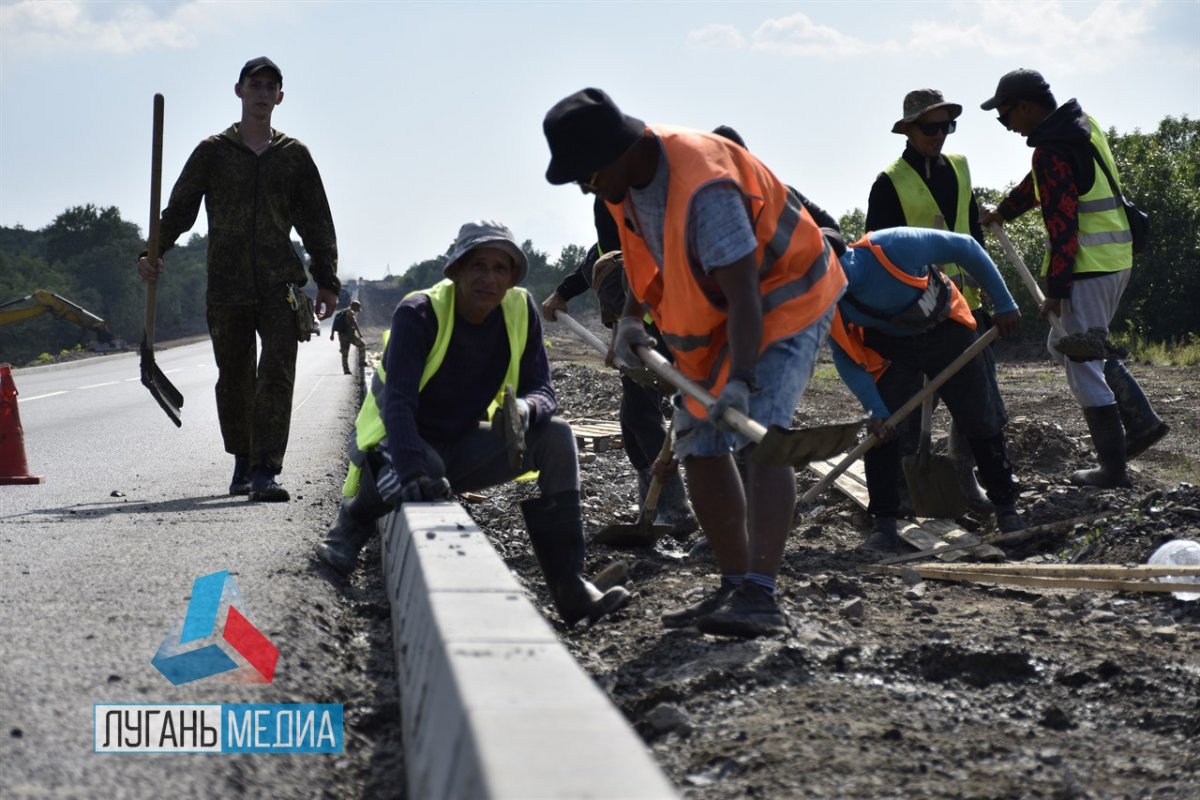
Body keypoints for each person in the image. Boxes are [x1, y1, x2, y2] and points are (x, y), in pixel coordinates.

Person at [542, 88, 847, 638]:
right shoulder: (621, 186)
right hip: (719, 316)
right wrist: (632, 318)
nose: (587, 186)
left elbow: (748, 294)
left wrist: (744, 380)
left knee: (764, 434)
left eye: (587, 174)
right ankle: (733, 585)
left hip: (785, 298)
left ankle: (762, 594)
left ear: (616, 151)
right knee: (697, 440)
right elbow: (640, 257)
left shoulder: (704, 185)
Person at [315, 220, 630, 628]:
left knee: (556, 436)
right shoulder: (419, 312)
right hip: (400, 441)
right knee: (424, 477)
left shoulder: (519, 310)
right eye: (479, 266)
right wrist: (412, 471)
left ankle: (570, 587)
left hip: (462, 444)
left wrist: (523, 410)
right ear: (457, 270)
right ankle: (351, 526)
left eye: (501, 269)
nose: (490, 278)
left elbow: (543, 391)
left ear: (513, 277)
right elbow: (399, 405)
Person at [137, 56, 339, 503]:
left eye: (271, 87)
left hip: (280, 284)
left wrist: (327, 280)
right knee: (234, 377)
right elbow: (179, 212)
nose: (263, 93)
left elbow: (317, 223)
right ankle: (243, 462)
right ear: (239, 91)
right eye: (256, 85)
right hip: (225, 285)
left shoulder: (294, 156)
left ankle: (267, 469)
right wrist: (152, 252)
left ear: (280, 97)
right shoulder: (212, 152)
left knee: (278, 372)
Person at [979, 69, 1168, 488]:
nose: (1006, 125)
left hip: (1088, 268)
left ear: (1026, 106)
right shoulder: (1080, 126)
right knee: (1068, 346)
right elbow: (1045, 186)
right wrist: (1006, 211)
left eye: (1005, 115)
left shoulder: (1052, 151)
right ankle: (1141, 420)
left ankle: (1113, 470)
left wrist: (1056, 292)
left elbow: (1063, 223)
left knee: (1081, 360)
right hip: (1116, 258)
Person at [829, 227, 1026, 551]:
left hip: (947, 329)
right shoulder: (829, 299)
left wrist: (1005, 302)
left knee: (980, 417)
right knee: (884, 429)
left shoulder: (893, 247)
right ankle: (885, 524)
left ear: (841, 259)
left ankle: (1006, 509)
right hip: (895, 349)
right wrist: (875, 409)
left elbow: (966, 246)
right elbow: (846, 356)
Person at [866, 89, 993, 513]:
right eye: (930, 128)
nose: (939, 135)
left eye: (947, 127)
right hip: (913, 314)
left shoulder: (959, 169)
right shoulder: (889, 184)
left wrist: (989, 291)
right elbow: (877, 256)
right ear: (908, 130)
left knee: (975, 399)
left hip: (962, 306)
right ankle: (899, 488)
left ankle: (964, 475)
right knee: (905, 402)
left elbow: (972, 234)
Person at [540, 201, 697, 540]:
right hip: (638, 339)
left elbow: (628, 294)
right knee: (633, 422)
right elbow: (586, 273)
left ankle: (675, 509)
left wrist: (618, 339)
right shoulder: (601, 253)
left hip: (663, 339)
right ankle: (655, 508)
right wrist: (559, 295)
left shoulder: (646, 249)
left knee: (650, 418)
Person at [331, 300, 365, 375]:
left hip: (342, 335)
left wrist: (332, 334)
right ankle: (361, 362)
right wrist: (359, 333)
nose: (357, 311)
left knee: (345, 353)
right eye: (357, 308)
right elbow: (354, 322)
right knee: (362, 345)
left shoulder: (342, 312)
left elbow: (335, 323)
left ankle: (346, 370)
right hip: (349, 335)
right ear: (354, 306)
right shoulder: (351, 312)